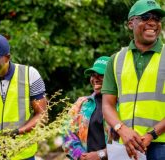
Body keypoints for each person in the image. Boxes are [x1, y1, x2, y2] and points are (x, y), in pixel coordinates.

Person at [102, 0, 165, 159]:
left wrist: (152, 134)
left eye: (157, 19)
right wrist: (122, 130)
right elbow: (107, 104)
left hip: (161, 146)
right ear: (131, 23)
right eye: (145, 17)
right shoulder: (116, 60)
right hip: (127, 145)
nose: (152, 23)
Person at [62, 56, 110, 160]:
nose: (95, 79)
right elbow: (66, 132)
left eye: (101, 75)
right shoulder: (81, 104)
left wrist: (100, 155)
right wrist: (81, 156)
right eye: (93, 75)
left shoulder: (121, 105)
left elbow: (125, 141)